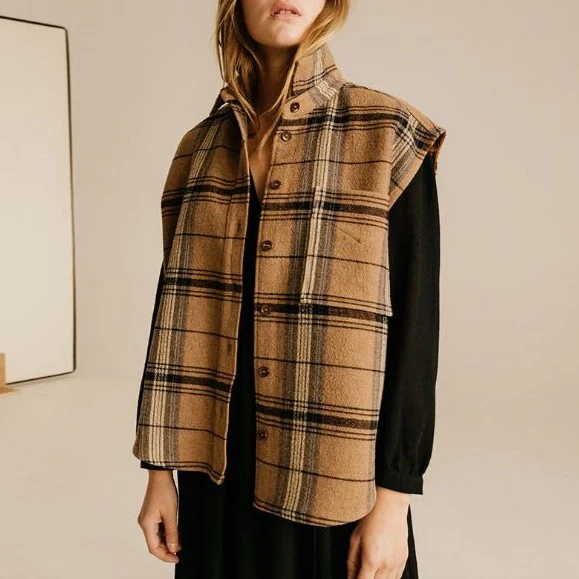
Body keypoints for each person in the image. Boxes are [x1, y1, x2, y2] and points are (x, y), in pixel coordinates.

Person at [133, 1, 446, 578]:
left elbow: (416, 332)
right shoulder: (198, 149)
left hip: (331, 467)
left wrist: (394, 500)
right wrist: (160, 471)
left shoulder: (388, 134)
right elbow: (172, 315)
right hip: (217, 466)